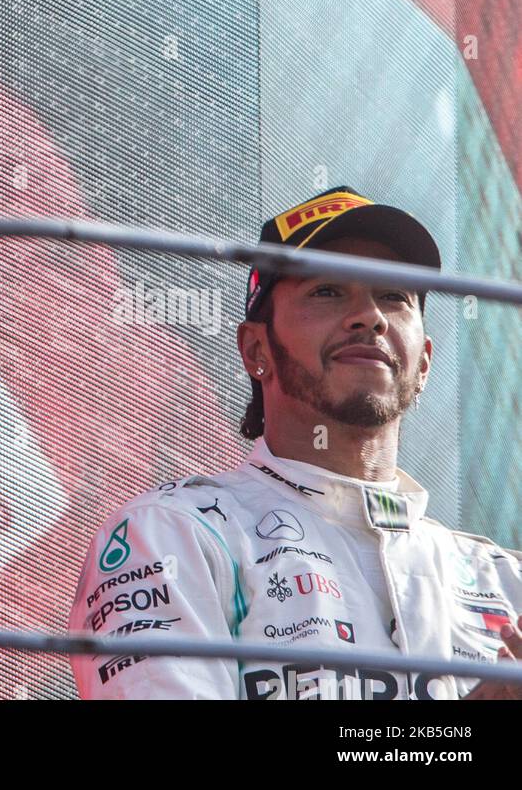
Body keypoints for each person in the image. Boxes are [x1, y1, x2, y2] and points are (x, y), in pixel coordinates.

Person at [69, 186, 522, 700]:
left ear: (423, 365)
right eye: (326, 291)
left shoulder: (505, 585)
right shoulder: (173, 537)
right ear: (255, 348)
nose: (368, 316)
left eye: (394, 295)